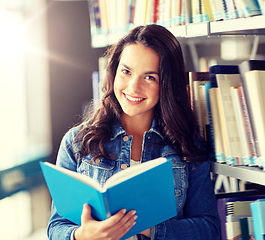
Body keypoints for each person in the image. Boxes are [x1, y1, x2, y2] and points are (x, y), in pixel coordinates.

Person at [47, 24, 220, 240]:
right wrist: (82, 235)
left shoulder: (188, 147)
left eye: (149, 77)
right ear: (114, 71)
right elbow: (56, 227)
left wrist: (147, 228)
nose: (133, 87)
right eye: (126, 72)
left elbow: (209, 230)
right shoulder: (77, 141)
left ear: (166, 84)